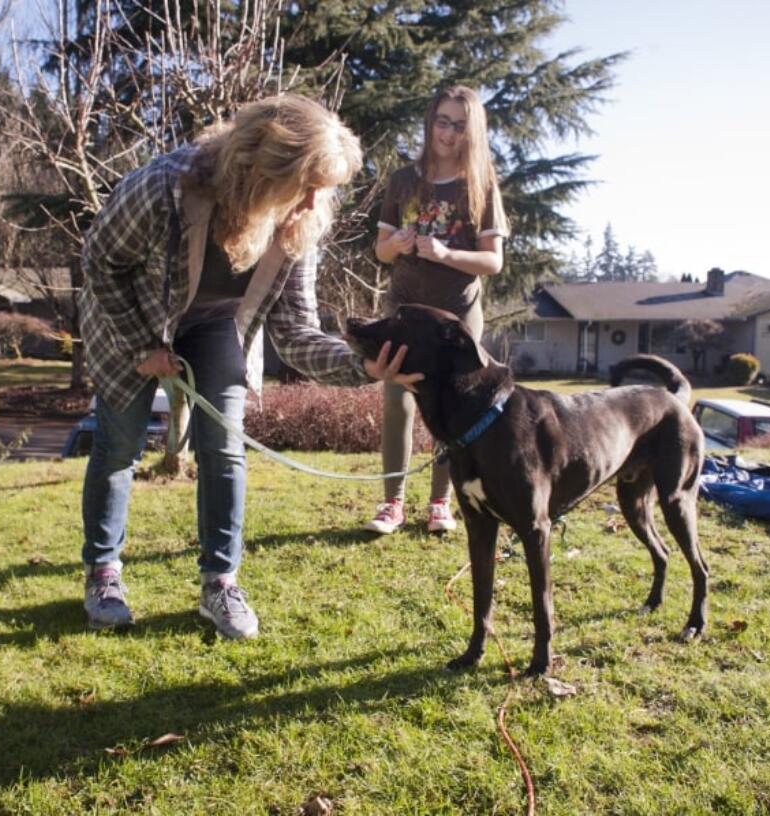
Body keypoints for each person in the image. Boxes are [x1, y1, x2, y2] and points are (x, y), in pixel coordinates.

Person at [79, 94, 418, 639]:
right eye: (306, 186)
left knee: (224, 448)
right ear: (264, 168)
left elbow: (296, 333)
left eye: (322, 189)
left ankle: (219, 582)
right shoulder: (166, 186)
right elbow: (100, 259)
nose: (313, 203)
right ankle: (103, 572)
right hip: (131, 317)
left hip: (217, 325)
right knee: (119, 446)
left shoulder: (299, 221)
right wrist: (142, 343)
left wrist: (365, 365)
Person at [363, 85, 510, 535]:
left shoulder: (481, 184)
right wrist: (396, 244)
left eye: (459, 125)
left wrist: (446, 254)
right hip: (405, 314)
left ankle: (441, 503)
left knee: (453, 410)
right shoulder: (403, 181)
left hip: (457, 319)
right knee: (397, 401)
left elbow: (493, 261)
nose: (448, 132)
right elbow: (380, 252)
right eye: (442, 121)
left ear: (473, 131)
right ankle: (392, 504)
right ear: (430, 123)